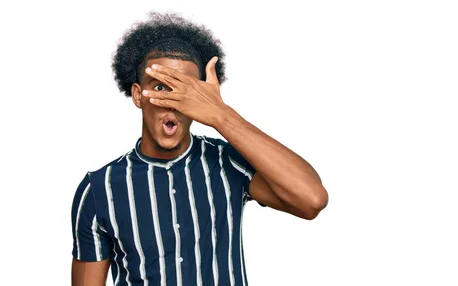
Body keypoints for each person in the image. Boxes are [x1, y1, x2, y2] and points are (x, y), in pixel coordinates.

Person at [70, 12, 328, 286]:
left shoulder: (228, 163)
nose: (174, 102)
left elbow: (311, 199)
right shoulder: (99, 190)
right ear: (137, 95)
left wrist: (221, 115)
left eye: (187, 92)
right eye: (161, 88)